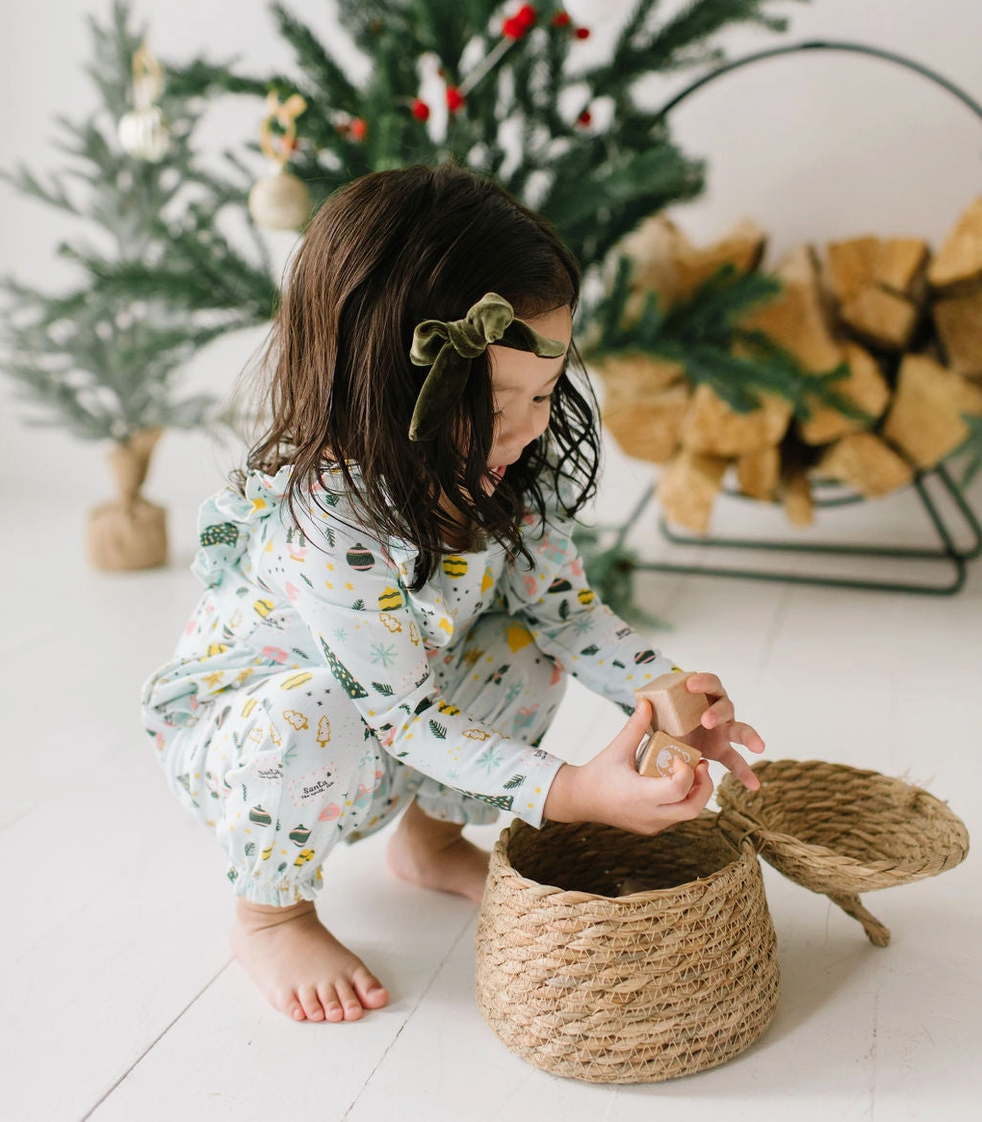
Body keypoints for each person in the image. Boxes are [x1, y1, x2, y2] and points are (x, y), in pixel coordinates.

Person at [141, 163, 765, 1026]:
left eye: (544, 394)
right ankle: (270, 913)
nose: (529, 428)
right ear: (385, 391)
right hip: (264, 743)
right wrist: (571, 791)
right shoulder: (330, 520)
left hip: (404, 710)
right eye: (496, 403)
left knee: (524, 646)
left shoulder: (510, 474)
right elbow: (399, 715)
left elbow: (568, 614)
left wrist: (670, 694)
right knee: (312, 712)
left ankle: (431, 840)